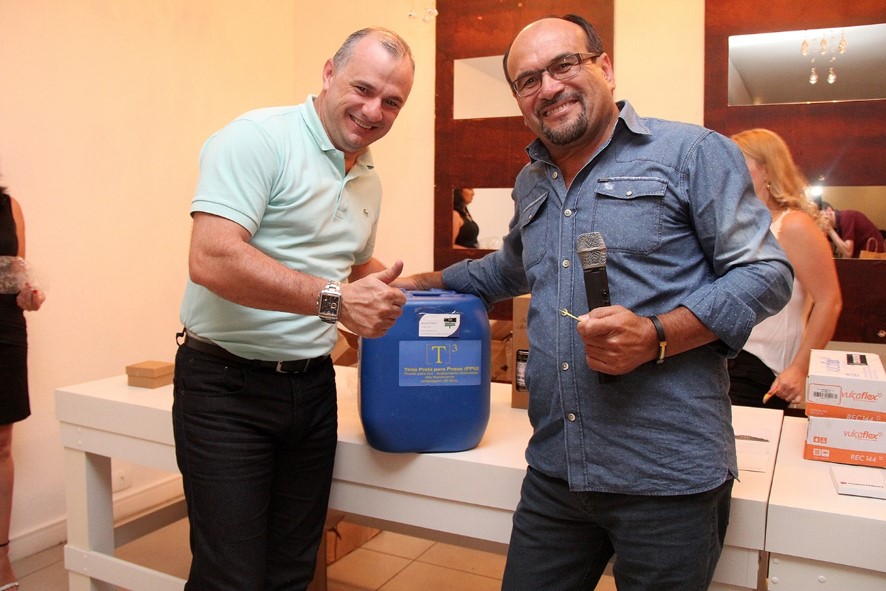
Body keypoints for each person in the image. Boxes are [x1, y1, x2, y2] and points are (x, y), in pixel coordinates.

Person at [398, 14, 792, 590]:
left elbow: (766, 271)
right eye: (528, 80)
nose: (548, 87)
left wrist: (657, 335)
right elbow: (509, 268)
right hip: (557, 470)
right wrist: (422, 282)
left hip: (667, 478)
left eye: (564, 65)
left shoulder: (693, 153)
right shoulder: (532, 181)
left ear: (605, 67)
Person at [173, 28, 414, 590]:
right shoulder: (258, 139)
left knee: (293, 570)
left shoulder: (368, 177)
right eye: (363, 88)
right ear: (329, 73)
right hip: (226, 389)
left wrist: (412, 293)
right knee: (229, 577)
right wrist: (336, 302)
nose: (374, 110)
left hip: (312, 388)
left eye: (392, 101)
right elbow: (212, 257)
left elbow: (351, 264)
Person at [728, 129, 842, 410]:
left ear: (768, 169)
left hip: (762, 367)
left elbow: (829, 301)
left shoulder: (793, 225)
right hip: (725, 358)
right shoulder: (735, 224)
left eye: (739, 160)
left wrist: (799, 368)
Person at [1, 183, 45, 591]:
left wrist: (28, 295)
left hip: (4, 331)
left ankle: (1, 558)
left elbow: (17, 278)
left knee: (2, 445)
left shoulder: (9, 206)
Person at [820, 201, 884, 258]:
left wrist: (829, 229)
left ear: (829, 210)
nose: (820, 220)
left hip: (875, 258)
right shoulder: (836, 228)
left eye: (821, 215)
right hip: (862, 259)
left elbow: (848, 252)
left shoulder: (846, 217)